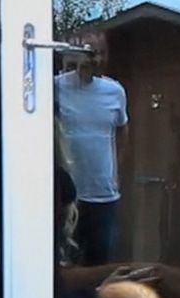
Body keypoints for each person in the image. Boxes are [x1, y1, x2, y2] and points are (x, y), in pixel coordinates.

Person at [54, 28, 128, 266]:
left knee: (99, 264)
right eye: (89, 52)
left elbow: (122, 131)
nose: (95, 59)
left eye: (101, 53)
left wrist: (115, 173)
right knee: (64, 264)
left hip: (102, 195)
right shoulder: (54, 88)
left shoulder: (115, 91)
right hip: (66, 196)